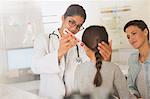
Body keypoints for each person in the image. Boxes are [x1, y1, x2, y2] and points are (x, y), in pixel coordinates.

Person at [31, 4, 112, 99]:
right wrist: (60, 52)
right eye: (71, 22)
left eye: (78, 26)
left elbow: (92, 72)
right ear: (63, 18)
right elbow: (36, 67)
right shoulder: (44, 39)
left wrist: (106, 62)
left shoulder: (80, 47)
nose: (74, 29)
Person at [74, 25, 135, 99]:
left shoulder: (79, 69)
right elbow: (126, 97)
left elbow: (76, 95)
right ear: (107, 45)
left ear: (84, 46)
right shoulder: (113, 68)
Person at [124, 20, 150, 99]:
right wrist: (135, 97)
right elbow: (130, 86)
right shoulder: (132, 58)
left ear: (145, 32)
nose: (131, 39)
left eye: (134, 33)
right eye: (128, 37)